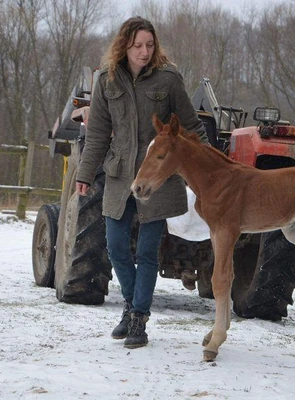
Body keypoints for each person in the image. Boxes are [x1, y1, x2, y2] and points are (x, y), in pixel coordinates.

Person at [75, 16, 209, 349]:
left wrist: (209, 170)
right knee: (117, 246)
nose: (144, 52)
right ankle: (131, 305)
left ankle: (138, 317)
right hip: (120, 174)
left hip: (157, 176)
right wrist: (85, 174)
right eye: (138, 46)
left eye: (149, 45)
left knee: (148, 252)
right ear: (125, 45)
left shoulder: (168, 79)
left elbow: (192, 127)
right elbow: (97, 135)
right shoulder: (107, 81)